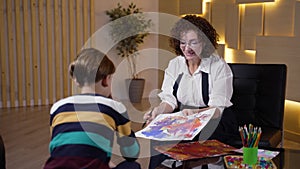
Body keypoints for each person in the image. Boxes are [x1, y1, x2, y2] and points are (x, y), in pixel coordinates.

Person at [143, 15, 238, 169]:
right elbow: (169, 100)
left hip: (213, 119)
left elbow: (217, 109)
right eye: (183, 42)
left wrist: (194, 114)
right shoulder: (175, 65)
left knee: (194, 138)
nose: (187, 48)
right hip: (185, 118)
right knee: (158, 134)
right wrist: (158, 111)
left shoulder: (218, 66)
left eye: (193, 42)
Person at [44, 48, 141, 169]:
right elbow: (131, 154)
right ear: (106, 79)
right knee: (133, 166)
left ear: (76, 81)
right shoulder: (115, 107)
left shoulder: (57, 107)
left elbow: (59, 147)